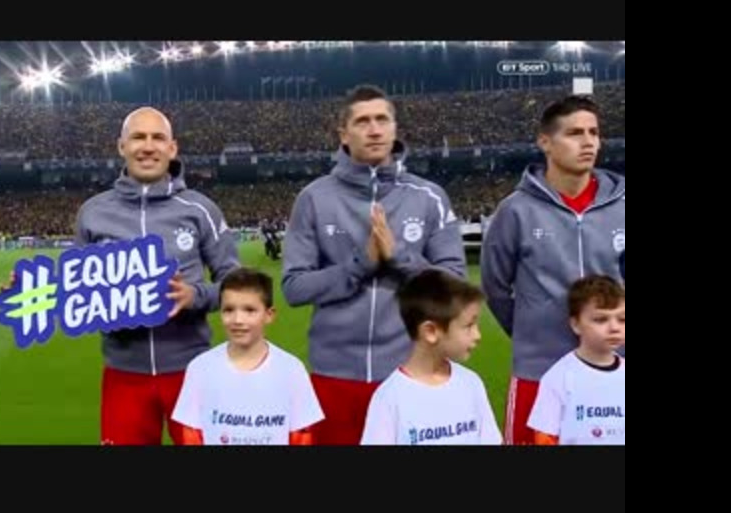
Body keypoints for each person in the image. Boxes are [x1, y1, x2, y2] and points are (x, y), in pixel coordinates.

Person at [281, 84, 467, 445]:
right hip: (334, 377)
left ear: (395, 128)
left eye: (382, 119)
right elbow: (294, 288)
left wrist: (399, 258)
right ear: (343, 134)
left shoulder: (428, 197)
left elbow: (456, 286)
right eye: (363, 121)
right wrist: (361, 264)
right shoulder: (314, 198)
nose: (374, 129)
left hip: (411, 371)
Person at [74, 107, 241, 445]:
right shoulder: (93, 212)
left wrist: (195, 296)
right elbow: (74, 288)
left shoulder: (201, 209)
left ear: (172, 148)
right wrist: (30, 292)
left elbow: (238, 284)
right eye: (138, 137)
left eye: (157, 138)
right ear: (121, 146)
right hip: (124, 375)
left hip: (192, 372)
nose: (148, 147)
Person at [480, 95, 625, 445]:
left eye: (594, 132)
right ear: (545, 142)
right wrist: (532, 331)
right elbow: (495, 287)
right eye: (575, 133)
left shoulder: (621, 207)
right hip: (539, 370)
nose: (588, 142)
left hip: (612, 369)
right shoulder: (515, 211)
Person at [171, 267, 324, 445]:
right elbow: (191, 434)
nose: (238, 320)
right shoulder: (200, 368)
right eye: (229, 310)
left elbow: (302, 435)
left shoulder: (292, 370)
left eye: (249, 310)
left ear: (269, 315)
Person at [360, 269, 501, 445]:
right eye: (469, 326)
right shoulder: (389, 398)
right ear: (431, 332)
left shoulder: (472, 384)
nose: (477, 335)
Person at [527, 275, 625, 445]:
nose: (614, 328)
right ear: (576, 325)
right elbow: (545, 437)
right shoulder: (559, 377)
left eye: (622, 319)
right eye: (601, 319)